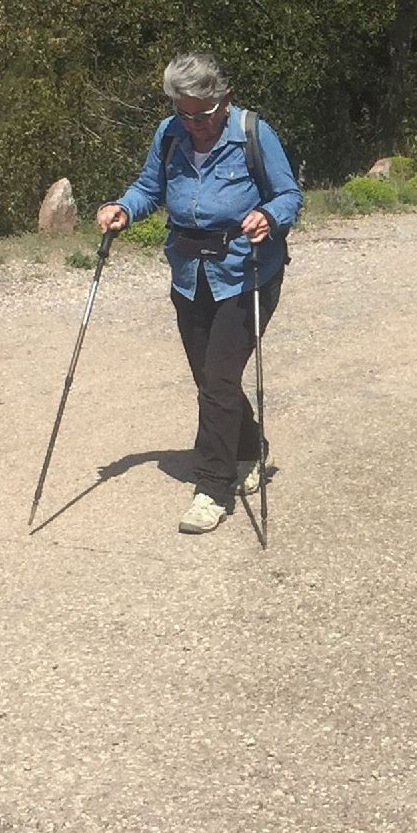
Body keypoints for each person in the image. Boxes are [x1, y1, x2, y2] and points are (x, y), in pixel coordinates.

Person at [96, 52, 301, 535]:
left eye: (203, 114)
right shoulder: (169, 134)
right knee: (210, 380)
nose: (194, 125)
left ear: (225, 99)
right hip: (189, 274)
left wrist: (268, 217)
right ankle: (249, 447)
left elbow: (288, 195)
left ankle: (212, 488)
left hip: (246, 274)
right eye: (184, 113)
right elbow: (149, 188)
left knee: (218, 381)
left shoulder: (253, 133)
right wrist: (123, 208)